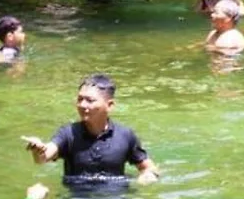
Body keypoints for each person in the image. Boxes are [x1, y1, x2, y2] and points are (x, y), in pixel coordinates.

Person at [24, 74, 160, 187]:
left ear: (110, 105)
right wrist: (38, 149)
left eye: (90, 100)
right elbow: (44, 157)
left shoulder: (125, 135)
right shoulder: (69, 133)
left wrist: (148, 176)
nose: (82, 105)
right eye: (79, 99)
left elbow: (148, 167)